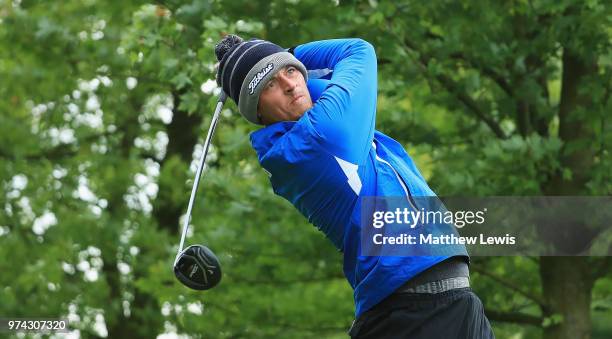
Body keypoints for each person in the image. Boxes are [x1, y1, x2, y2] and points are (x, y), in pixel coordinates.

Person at [214, 34, 495, 338]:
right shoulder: (322, 135)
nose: (289, 85)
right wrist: (290, 53)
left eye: (291, 71)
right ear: (258, 111)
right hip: (413, 311)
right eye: (269, 85)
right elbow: (357, 51)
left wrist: (279, 60)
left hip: (445, 302)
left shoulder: (310, 128)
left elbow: (317, 86)